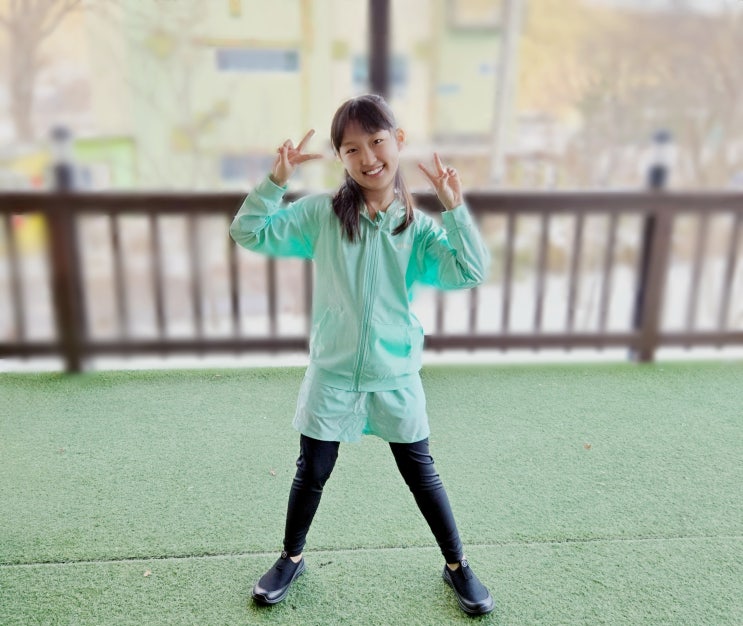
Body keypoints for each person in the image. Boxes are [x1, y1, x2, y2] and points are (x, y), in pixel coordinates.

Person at [229, 94, 494, 616]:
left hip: (395, 374)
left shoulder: (418, 228)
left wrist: (455, 209)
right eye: (352, 149)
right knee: (312, 470)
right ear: (340, 157)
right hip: (332, 373)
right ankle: (291, 558)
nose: (368, 157)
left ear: (398, 140)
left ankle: (458, 564)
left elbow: (470, 271)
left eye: (377, 141)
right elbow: (248, 231)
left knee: (422, 474)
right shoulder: (321, 215)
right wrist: (276, 180)